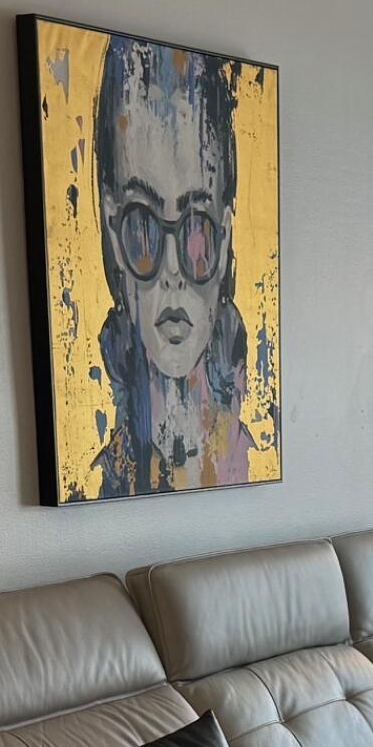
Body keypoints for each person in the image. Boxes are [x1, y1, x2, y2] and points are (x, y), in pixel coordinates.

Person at [91, 35, 260, 496]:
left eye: (195, 230)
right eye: (142, 226)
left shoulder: (251, 465)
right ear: (112, 231)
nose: (171, 270)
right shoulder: (104, 482)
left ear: (223, 239)